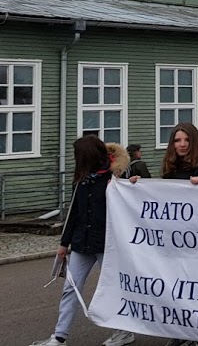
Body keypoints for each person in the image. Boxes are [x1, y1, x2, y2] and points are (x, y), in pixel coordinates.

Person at [30, 137, 134, 346]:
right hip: (81, 243)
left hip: (107, 244)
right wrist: (64, 244)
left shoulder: (115, 179)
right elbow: (74, 213)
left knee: (114, 288)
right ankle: (59, 337)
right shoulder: (81, 180)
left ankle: (124, 331)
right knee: (70, 287)